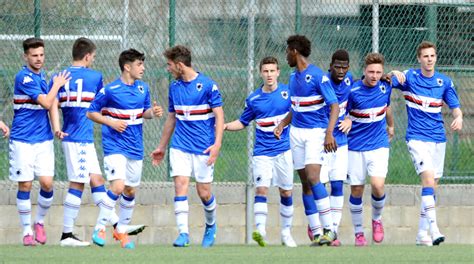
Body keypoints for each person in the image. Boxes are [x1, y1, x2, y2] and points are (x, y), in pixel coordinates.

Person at [52, 38, 145, 247]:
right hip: (79, 137)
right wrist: (113, 120)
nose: (93, 60)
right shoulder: (94, 77)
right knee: (77, 183)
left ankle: (118, 227)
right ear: (87, 56)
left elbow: (53, 104)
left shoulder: (59, 77)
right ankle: (67, 235)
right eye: (93, 57)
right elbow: (102, 105)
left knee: (97, 182)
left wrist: (57, 127)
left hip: (73, 134)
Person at [87, 48, 163, 249]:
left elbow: (143, 113)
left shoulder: (143, 88)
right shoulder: (110, 90)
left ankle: (121, 231)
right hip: (114, 146)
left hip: (135, 147)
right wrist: (110, 123)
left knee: (129, 191)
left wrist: (152, 113)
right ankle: (99, 227)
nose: (143, 68)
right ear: (127, 67)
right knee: (118, 187)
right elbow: (91, 113)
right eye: (139, 64)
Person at [389, 41, 463, 246]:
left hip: (439, 139)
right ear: (419, 59)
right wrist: (394, 71)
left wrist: (459, 117)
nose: (429, 59)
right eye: (425, 56)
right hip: (417, 138)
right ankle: (435, 230)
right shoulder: (410, 77)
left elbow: (455, 107)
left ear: (435, 58)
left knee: (432, 187)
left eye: (432, 56)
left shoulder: (444, 82)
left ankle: (422, 234)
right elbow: (386, 80)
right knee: (428, 181)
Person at [151, 45, 224, 248]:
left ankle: (211, 226)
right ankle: (183, 234)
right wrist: (161, 147)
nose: (168, 69)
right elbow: (171, 119)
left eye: (170, 65)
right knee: (180, 185)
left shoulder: (208, 85)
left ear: (180, 65)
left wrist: (217, 144)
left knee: (204, 193)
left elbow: (219, 115)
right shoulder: (174, 88)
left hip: (204, 147)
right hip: (180, 146)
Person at [274, 35, 340, 246]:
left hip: (316, 133)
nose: (285, 56)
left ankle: (330, 228)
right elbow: (296, 108)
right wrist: (283, 124)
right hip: (296, 133)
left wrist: (329, 133)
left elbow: (335, 106)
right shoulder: (293, 78)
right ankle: (318, 232)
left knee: (313, 176)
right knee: (305, 182)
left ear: (294, 51)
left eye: (287, 52)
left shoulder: (318, 76)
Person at [224, 56, 296, 247]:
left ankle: (286, 234)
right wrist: (223, 126)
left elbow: (298, 113)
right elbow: (242, 122)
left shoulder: (288, 93)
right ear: (260, 73)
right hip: (262, 152)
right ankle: (261, 230)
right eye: (265, 71)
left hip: (285, 151)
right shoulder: (254, 99)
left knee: (286, 192)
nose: (269, 74)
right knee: (261, 188)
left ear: (278, 72)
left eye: (272, 71)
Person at [9, 38, 70, 246]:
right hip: (22, 140)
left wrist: (56, 128)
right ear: (26, 56)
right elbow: (45, 101)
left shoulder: (44, 77)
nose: (39, 59)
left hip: (43, 140)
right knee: (25, 184)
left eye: (41, 55)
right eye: (34, 55)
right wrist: (57, 85)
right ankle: (26, 231)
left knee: (47, 183)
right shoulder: (23, 78)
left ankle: (39, 222)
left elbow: (52, 105)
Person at [346, 52, 394, 246]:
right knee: (357, 189)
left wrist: (391, 125)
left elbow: (387, 107)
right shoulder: (353, 90)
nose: (374, 76)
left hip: (378, 145)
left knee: (377, 185)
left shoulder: (386, 86)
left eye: (378, 72)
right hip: (355, 146)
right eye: (371, 72)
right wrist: (347, 119)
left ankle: (376, 220)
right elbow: (342, 110)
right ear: (364, 71)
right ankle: (358, 233)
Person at [317, 49, 353, 246]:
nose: (341, 70)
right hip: (321, 142)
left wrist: (350, 119)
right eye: (337, 67)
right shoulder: (321, 82)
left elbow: (357, 104)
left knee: (338, 184)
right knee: (320, 185)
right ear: (330, 66)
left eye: (344, 67)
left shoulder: (350, 81)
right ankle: (322, 224)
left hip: (341, 143)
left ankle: (333, 231)